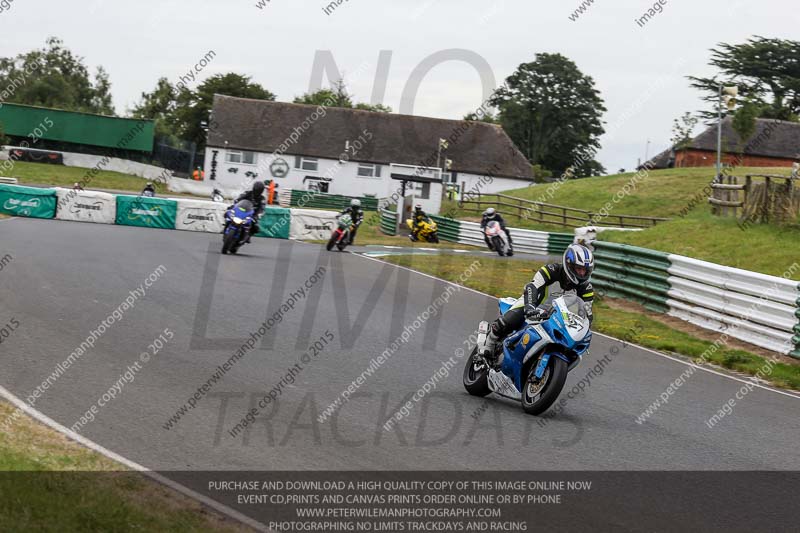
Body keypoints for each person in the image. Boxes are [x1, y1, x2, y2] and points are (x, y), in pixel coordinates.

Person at [478, 244, 595, 367]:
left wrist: (584, 332)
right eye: (579, 268)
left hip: (558, 318)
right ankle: (489, 343)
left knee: (574, 353)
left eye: (585, 270)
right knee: (512, 318)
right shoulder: (551, 270)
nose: (582, 273)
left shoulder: (586, 289)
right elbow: (532, 287)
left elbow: (586, 314)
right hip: (534, 305)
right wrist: (530, 307)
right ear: (569, 265)